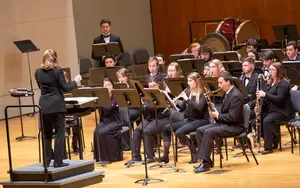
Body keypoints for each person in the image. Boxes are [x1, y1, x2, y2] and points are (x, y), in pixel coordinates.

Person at [35, 49, 82, 167]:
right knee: (60, 133)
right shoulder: (57, 71)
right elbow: (65, 87)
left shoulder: (38, 72)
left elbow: (40, 86)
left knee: (46, 134)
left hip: (44, 106)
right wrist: (76, 81)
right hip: (57, 105)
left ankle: (46, 162)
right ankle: (58, 161)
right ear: (55, 58)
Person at [194, 72, 245, 173]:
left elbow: (233, 117)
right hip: (225, 123)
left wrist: (217, 116)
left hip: (235, 126)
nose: (219, 86)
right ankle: (207, 161)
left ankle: (205, 164)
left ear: (228, 82)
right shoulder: (227, 93)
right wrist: (215, 113)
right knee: (199, 130)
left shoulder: (236, 95)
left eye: (221, 83)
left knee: (209, 132)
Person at [161, 72, 210, 164]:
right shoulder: (188, 92)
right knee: (167, 128)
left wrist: (187, 99)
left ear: (196, 82)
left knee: (179, 132)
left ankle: (195, 152)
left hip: (202, 120)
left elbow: (199, 108)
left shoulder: (203, 92)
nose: (188, 83)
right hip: (191, 120)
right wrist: (172, 104)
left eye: (190, 81)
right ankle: (165, 156)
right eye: (188, 81)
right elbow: (181, 109)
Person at [256, 62, 294, 154]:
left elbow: (279, 99)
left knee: (267, 121)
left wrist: (265, 95)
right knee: (256, 121)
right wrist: (259, 103)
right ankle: (273, 140)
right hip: (272, 110)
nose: (270, 72)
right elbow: (267, 98)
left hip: (282, 111)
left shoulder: (283, 83)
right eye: (270, 70)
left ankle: (268, 147)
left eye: (273, 70)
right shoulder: (270, 83)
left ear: (279, 71)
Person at [132, 76, 170, 163]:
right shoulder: (145, 95)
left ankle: (150, 157)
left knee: (147, 131)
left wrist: (145, 105)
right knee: (137, 131)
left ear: (158, 85)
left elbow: (154, 109)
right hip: (150, 118)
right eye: (150, 86)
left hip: (162, 118)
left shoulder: (162, 95)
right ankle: (136, 156)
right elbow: (144, 111)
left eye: (154, 86)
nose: (152, 88)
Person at [93, 78, 123, 162]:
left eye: (109, 85)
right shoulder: (101, 97)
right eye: (105, 85)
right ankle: (99, 158)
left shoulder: (116, 97)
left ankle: (109, 157)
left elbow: (109, 108)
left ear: (112, 86)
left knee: (103, 132)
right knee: (96, 131)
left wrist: (99, 101)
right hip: (105, 121)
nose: (107, 87)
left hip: (115, 121)